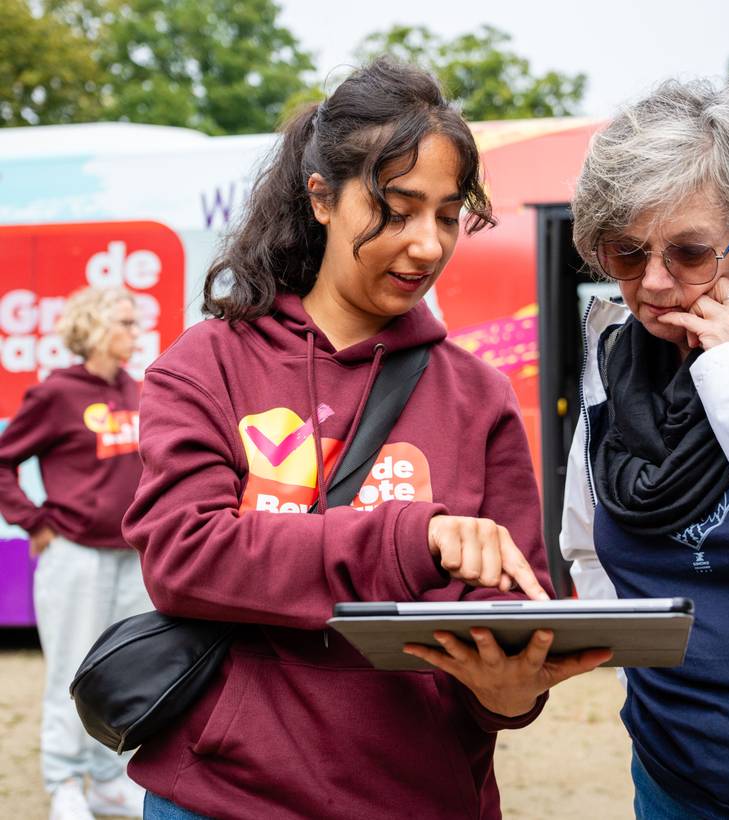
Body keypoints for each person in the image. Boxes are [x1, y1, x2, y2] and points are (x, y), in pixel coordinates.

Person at [121, 58, 610, 820]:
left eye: (447, 215)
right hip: (225, 799)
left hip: (421, 799)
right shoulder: (207, 365)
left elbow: (511, 611)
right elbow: (183, 558)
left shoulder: (476, 396)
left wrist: (509, 695)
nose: (426, 246)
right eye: (398, 208)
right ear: (321, 197)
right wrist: (413, 540)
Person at [561, 78, 729, 819]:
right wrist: (646, 688)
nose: (653, 284)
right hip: (670, 777)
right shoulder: (617, 362)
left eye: (690, 253)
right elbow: (586, 548)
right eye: (626, 251)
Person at [0, 286, 151, 820]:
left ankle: (109, 781)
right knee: (70, 668)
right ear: (95, 326)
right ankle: (64, 781)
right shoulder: (57, 393)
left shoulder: (138, 390)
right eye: (126, 323)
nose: (136, 333)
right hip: (75, 555)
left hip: (132, 556)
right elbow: (3, 461)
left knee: (122, 671)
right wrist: (33, 521)